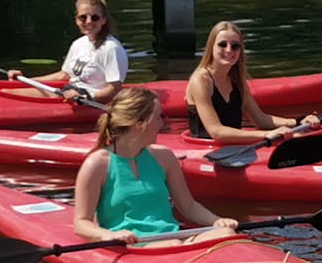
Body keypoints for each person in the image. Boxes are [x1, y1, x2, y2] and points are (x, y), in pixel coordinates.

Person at [71, 88, 232, 246]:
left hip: (173, 239)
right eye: (158, 118)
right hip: (134, 245)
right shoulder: (97, 164)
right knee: (173, 245)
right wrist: (109, 235)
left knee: (226, 234)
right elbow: (82, 223)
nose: (162, 124)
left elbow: (188, 206)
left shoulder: (164, 157)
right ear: (139, 124)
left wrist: (217, 221)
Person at [181, 20, 307, 145]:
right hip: (204, 149)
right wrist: (265, 134)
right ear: (211, 47)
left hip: (234, 149)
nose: (229, 50)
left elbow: (261, 120)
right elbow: (216, 132)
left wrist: (299, 122)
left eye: (235, 46)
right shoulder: (201, 80)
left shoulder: (237, 80)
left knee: (297, 137)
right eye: (222, 44)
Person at [57, 0, 129, 100]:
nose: (89, 21)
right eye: (83, 17)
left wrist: (86, 97)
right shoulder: (78, 44)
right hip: (70, 92)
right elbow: (64, 75)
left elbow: (114, 88)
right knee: (19, 93)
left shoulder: (111, 48)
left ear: (103, 20)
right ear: (77, 20)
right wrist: (25, 79)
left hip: (89, 99)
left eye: (95, 17)